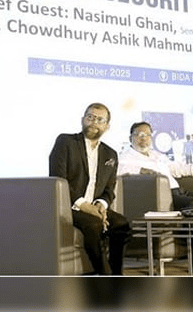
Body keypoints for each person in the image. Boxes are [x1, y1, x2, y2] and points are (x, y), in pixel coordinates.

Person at [118, 121, 193, 274]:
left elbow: (178, 168)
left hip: (180, 192)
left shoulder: (156, 155)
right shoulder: (125, 157)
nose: (144, 138)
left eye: (147, 135)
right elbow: (119, 170)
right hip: (162, 198)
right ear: (131, 138)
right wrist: (141, 170)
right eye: (139, 135)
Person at [48, 103, 131, 275]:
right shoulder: (66, 142)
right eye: (90, 117)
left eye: (100, 119)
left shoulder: (110, 154)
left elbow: (109, 188)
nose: (94, 122)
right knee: (94, 224)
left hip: (94, 206)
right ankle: (104, 275)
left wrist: (101, 205)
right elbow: (58, 179)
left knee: (122, 224)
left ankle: (117, 274)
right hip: (68, 207)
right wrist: (85, 206)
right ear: (82, 119)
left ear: (107, 126)